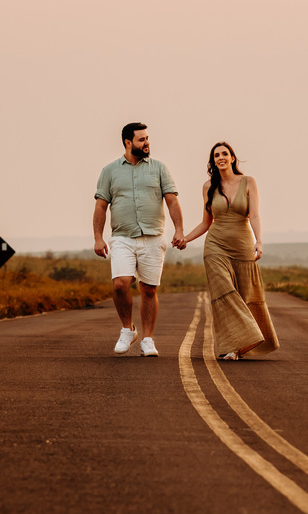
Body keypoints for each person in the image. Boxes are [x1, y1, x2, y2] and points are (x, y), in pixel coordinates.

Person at [178, 142, 279, 360]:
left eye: (224, 153)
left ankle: (244, 344)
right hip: (215, 246)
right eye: (216, 155)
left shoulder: (248, 182)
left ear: (233, 158)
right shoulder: (208, 187)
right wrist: (186, 238)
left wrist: (259, 241)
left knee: (246, 294)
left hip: (243, 245)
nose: (220, 157)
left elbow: (255, 215)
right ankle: (233, 346)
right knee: (225, 292)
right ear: (213, 161)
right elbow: (206, 222)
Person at [93, 122, 186, 357]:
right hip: (122, 237)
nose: (147, 143)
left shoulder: (159, 168)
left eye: (147, 138)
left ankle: (147, 339)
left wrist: (179, 230)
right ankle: (127, 329)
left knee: (148, 290)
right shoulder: (110, 171)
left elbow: (172, 201)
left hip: (153, 237)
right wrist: (98, 238)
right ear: (128, 143)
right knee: (120, 284)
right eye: (141, 139)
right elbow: (101, 206)